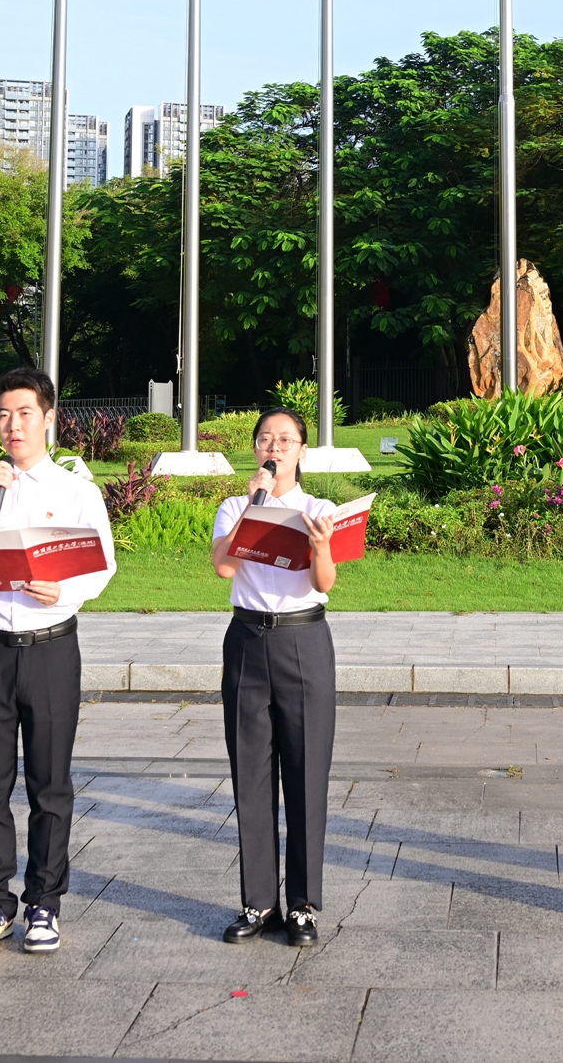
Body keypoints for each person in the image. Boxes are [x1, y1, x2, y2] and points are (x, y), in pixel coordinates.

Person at [0, 367, 117, 956]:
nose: (12, 424)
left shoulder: (74, 489)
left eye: (23, 413)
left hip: (50, 648)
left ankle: (45, 900)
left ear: (48, 418)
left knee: (50, 783)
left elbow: (101, 565)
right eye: (2, 414)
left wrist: (63, 592)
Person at [212, 406, 341, 948]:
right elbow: (223, 566)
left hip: (303, 641)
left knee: (306, 771)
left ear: (302, 451)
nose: (275, 446)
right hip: (247, 641)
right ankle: (258, 901)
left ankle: (304, 906)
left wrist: (320, 544)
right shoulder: (233, 505)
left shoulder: (319, 508)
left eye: (286, 439)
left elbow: (327, 580)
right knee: (251, 773)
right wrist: (251, 505)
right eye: (266, 438)